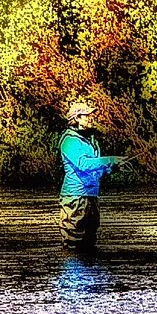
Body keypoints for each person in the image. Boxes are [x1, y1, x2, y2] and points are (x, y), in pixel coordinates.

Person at [58, 100, 127, 250]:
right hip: (74, 197)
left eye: (91, 115)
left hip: (91, 195)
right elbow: (83, 164)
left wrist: (110, 169)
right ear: (76, 119)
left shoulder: (92, 141)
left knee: (90, 240)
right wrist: (110, 159)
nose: (91, 118)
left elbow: (94, 168)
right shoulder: (69, 141)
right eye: (86, 115)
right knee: (73, 242)